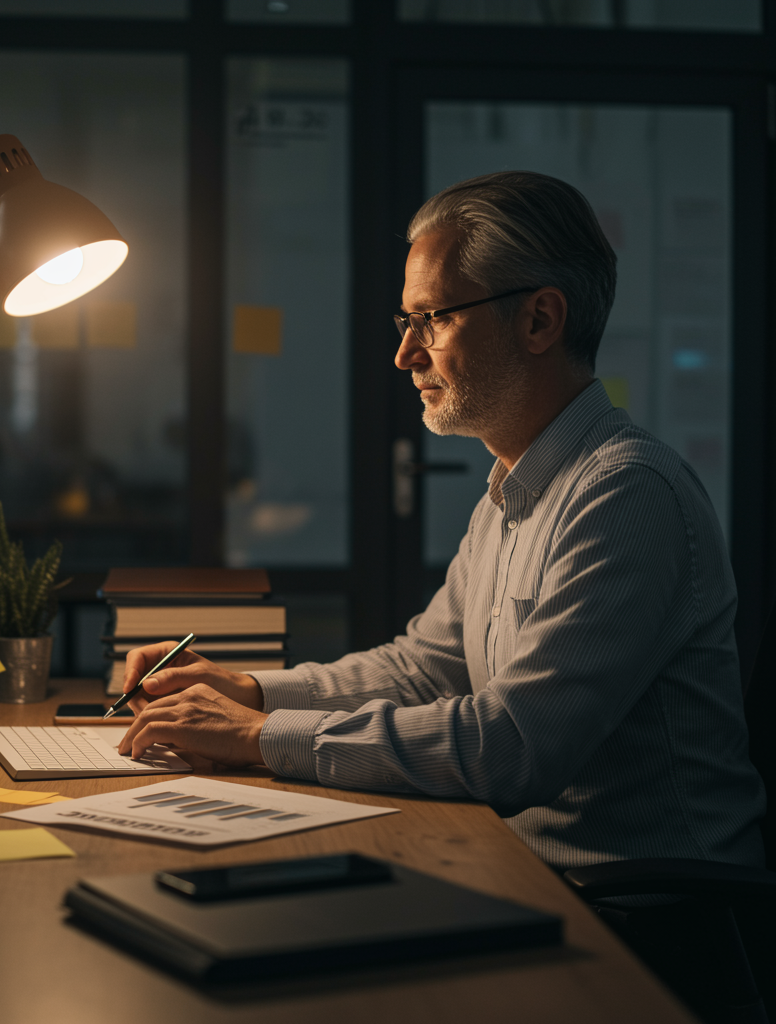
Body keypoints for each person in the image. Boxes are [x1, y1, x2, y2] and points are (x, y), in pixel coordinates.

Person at [117, 170, 765, 873]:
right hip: (525, 873)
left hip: (638, 920)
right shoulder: (512, 492)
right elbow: (425, 669)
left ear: (541, 320)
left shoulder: (628, 495)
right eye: (407, 322)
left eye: (434, 318)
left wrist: (260, 734)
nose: (405, 354)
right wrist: (247, 691)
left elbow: (512, 748)